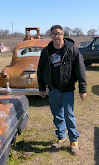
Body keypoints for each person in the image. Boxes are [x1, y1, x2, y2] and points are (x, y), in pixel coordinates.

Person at [37, 25, 87, 154]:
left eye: (58, 33)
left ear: (63, 34)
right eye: (53, 34)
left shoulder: (72, 50)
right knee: (57, 115)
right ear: (51, 36)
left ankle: (73, 140)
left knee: (69, 115)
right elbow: (40, 70)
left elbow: (80, 70)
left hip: (68, 89)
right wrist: (42, 88)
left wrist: (83, 89)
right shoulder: (46, 51)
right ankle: (61, 136)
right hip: (53, 89)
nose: (56, 36)